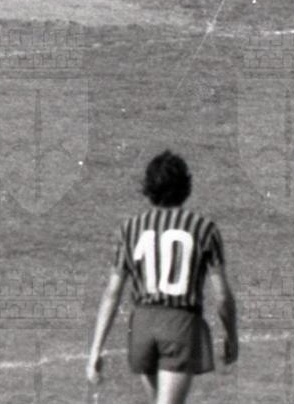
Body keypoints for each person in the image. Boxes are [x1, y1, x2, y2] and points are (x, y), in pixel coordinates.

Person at [83, 150, 239, 403]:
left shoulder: (130, 229)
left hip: (142, 326)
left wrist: (95, 350)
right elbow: (222, 297)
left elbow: (112, 293)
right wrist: (231, 336)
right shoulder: (204, 229)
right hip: (180, 325)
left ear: (149, 188)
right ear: (185, 186)